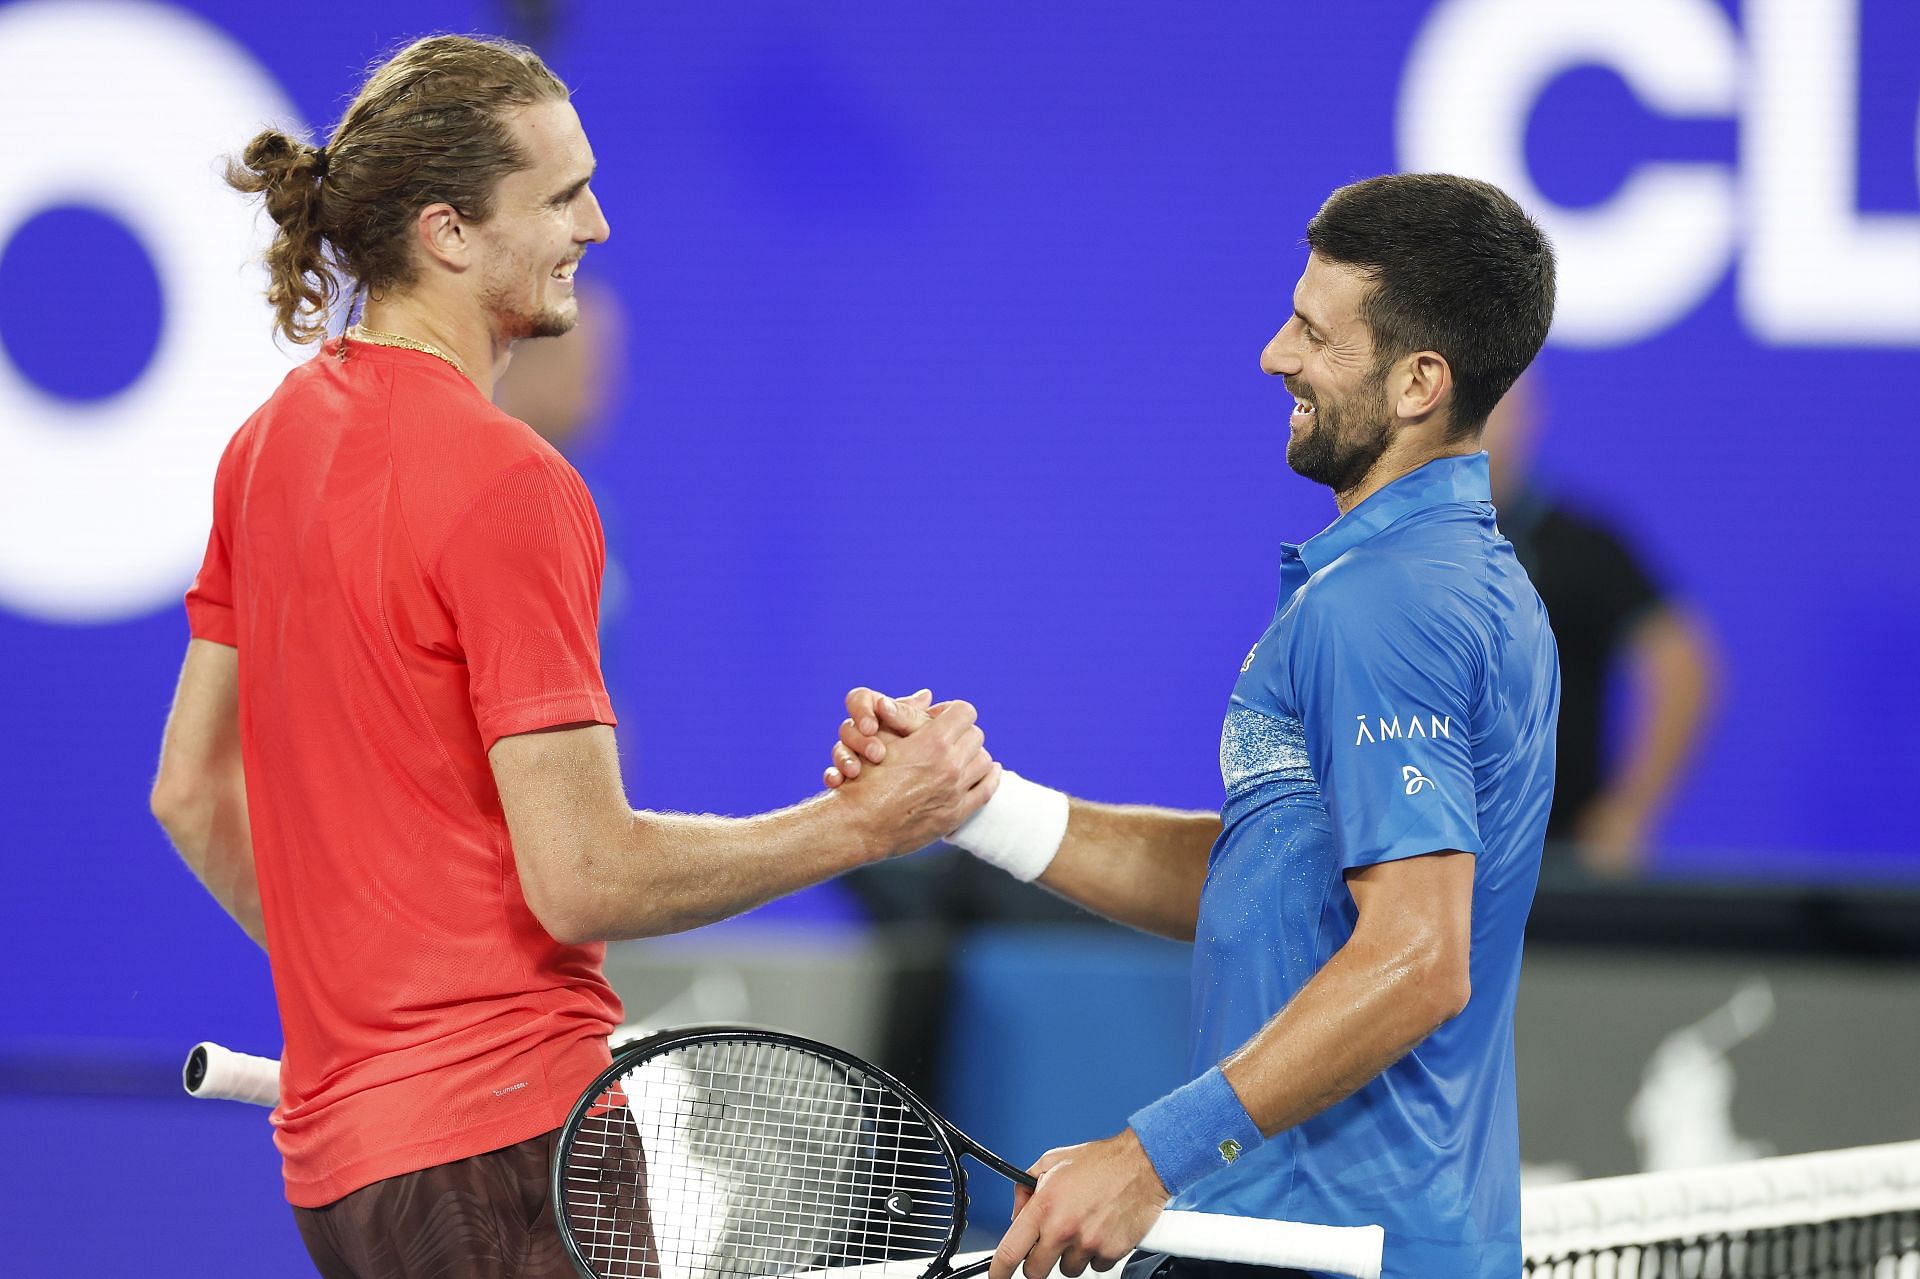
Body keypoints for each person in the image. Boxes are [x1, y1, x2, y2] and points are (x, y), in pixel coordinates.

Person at [147, 35, 997, 1279]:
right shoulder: (508, 482)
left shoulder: (265, 447)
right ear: (446, 231)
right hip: (507, 1147)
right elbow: (585, 875)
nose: (597, 226)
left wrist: (369, 1013)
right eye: (560, 196)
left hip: (344, 1165)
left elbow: (187, 790)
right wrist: (866, 823)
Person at [829, 174, 1559, 1278]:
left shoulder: (1389, 606)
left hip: (1321, 1250)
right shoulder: (1445, 582)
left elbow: (1418, 957)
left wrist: (1147, 1158)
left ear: (1419, 382)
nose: (1276, 355)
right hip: (1310, 1236)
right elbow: (1268, 884)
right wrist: (976, 805)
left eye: (1315, 333)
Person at [1482, 374, 1718, 877]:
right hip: (1418, 853)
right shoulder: (1397, 543)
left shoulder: (1583, 547)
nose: (1478, 430)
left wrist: (1629, 811)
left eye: (1494, 408)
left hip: (1555, 856)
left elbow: (1682, 664)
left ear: (1529, 419)